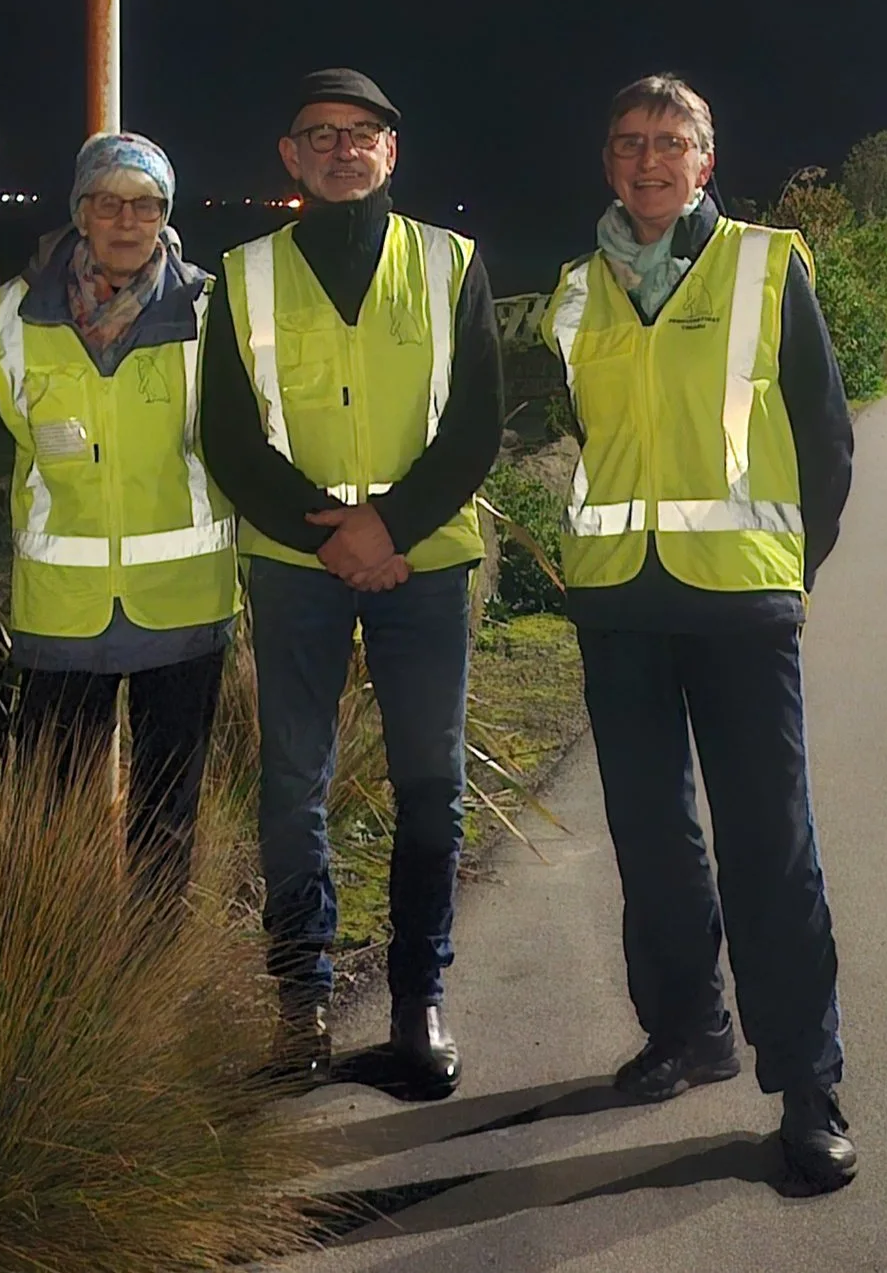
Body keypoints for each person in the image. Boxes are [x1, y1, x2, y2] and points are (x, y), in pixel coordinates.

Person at [540, 73, 857, 1193]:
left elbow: (823, 433)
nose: (646, 161)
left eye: (669, 143)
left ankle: (808, 1082)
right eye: (627, 142)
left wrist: (789, 569)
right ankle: (686, 1029)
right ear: (607, 160)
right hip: (620, 600)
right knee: (651, 834)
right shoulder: (572, 294)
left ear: (704, 161)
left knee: (769, 842)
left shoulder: (768, 265)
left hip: (739, 599)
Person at [201, 69, 502, 1096]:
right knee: (292, 787)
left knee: (430, 786)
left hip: (422, 556)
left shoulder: (449, 259)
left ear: (390, 149)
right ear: (289, 155)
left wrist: (389, 525)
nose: (340, 148)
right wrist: (330, 537)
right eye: (318, 134)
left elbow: (476, 427)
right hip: (296, 565)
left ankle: (418, 1001)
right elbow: (230, 438)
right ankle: (303, 1003)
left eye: (360, 131)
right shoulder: (239, 275)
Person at [0, 131, 237, 897]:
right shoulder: (14, 315)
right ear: (81, 210)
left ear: (166, 215)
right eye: (109, 202)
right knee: (50, 811)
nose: (128, 220)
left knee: (167, 814)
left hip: (183, 602)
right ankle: (59, 961)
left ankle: (149, 976)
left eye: (147, 204)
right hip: (61, 606)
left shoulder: (209, 312)